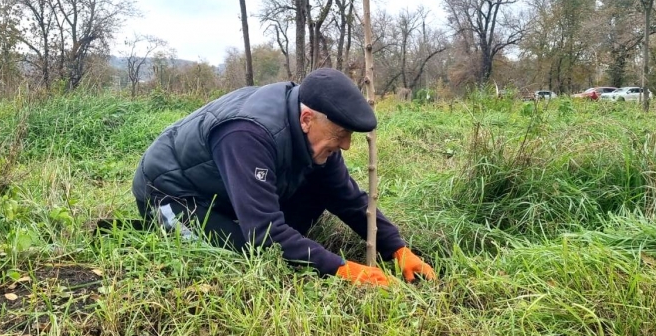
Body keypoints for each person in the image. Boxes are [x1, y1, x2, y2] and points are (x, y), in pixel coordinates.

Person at [132, 68, 436, 286]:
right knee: (246, 254)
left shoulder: (316, 131)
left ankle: (248, 220)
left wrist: (397, 248)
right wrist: (344, 270)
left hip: (223, 182)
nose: (346, 144)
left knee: (318, 194)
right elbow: (264, 234)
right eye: (341, 134)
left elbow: (347, 198)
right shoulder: (248, 133)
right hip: (170, 191)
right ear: (307, 119)